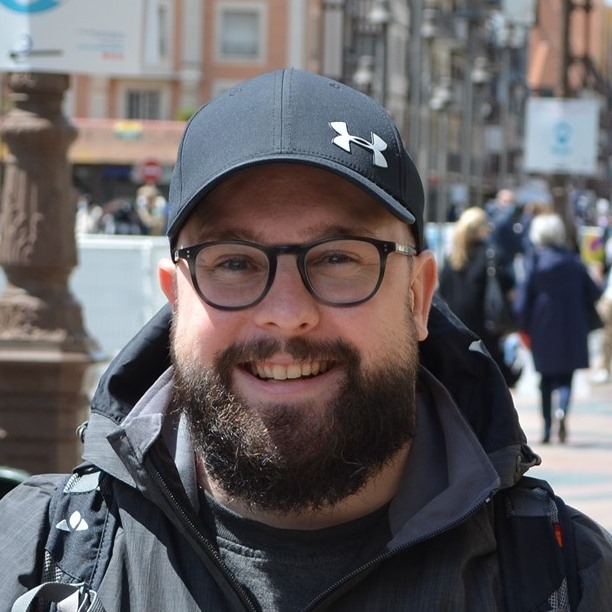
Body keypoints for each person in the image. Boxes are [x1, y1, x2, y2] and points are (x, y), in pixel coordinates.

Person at [1, 69, 611, 610]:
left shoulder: (573, 579)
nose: (287, 314)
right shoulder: (33, 558)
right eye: (233, 262)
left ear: (418, 297)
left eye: (339, 258)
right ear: (176, 298)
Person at [515, 213, 602, 444]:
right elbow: (594, 292)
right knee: (566, 376)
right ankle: (562, 410)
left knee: (545, 378)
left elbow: (524, 299)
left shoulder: (535, 262)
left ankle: (546, 428)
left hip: (542, 324)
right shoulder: (573, 261)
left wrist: (522, 323)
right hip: (573, 324)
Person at [438, 207, 518, 387]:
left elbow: (443, 293)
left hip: (456, 331)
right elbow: (509, 288)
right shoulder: (491, 255)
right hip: (485, 331)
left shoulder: (451, 259)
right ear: (481, 229)